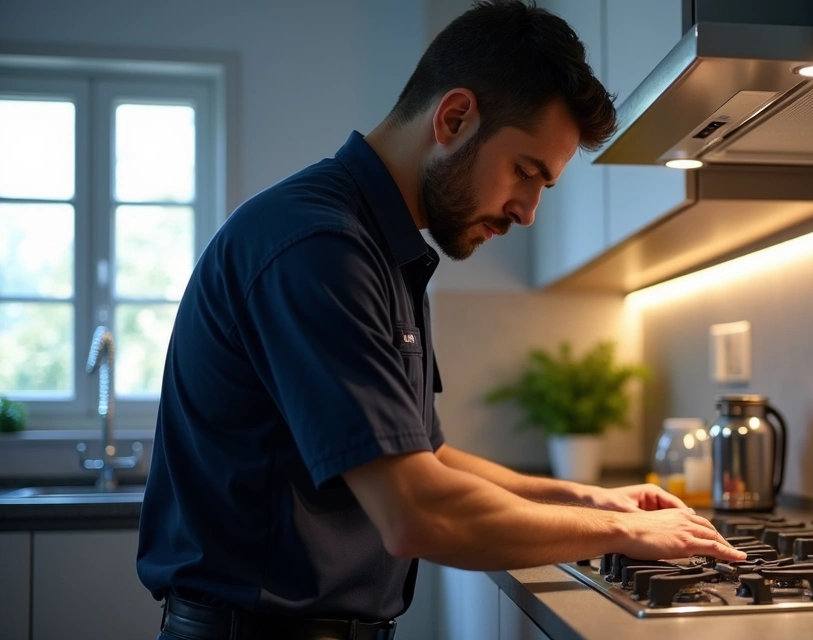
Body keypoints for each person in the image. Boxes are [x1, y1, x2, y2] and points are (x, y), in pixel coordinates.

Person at [137, 2, 745, 638]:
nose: (528, 210)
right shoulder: (320, 246)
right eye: (525, 172)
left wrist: (589, 498)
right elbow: (417, 512)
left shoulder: (382, 247)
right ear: (455, 118)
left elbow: (430, 458)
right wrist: (622, 530)